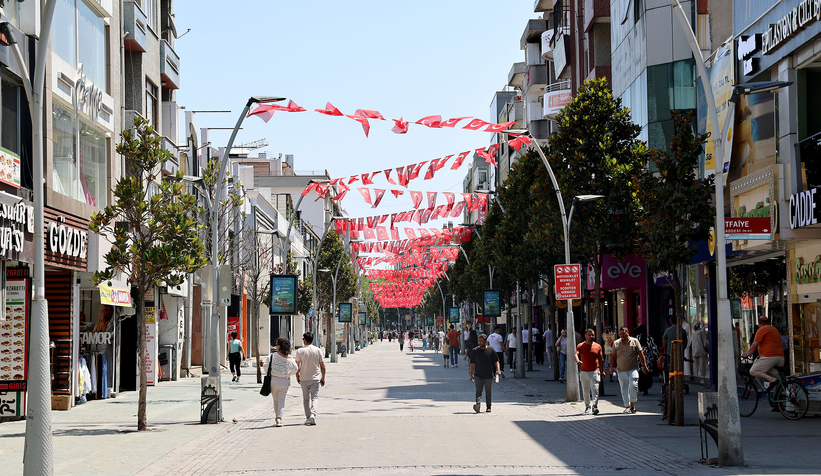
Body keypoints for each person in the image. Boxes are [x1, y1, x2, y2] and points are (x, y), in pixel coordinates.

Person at [610, 326, 650, 414]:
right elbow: (612, 356)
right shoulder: (616, 343)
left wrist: (644, 366)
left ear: (628, 332)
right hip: (621, 370)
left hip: (633, 369)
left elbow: (641, 354)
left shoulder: (635, 341)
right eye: (620, 334)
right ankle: (627, 406)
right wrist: (611, 368)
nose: (622, 335)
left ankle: (632, 405)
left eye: (623, 333)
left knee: (634, 386)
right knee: (624, 389)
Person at [742, 315, 784, 391]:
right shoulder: (774, 329)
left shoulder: (762, 329)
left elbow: (754, 344)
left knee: (753, 371)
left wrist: (747, 354)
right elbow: (781, 344)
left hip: (769, 357)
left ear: (759, 323)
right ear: (767, 322)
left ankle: (771, 379)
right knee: (776, 379)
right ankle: (778, 400)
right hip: (780, 357)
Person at [266, 337, 298, 427]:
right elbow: (295, 369)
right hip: (284, 381)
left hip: (274, 380)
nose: (276, 346)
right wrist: (288, 374)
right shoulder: (290, 357)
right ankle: (279, 418)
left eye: (277, 344)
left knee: (275, 400)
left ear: (280, 346)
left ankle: (277, 417)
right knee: (281, 400)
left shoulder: (272, 356)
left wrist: (271, 372)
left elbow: (266, 366)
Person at [295, 332, 326, 426]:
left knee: (306, 398)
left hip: (304, 378)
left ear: (304, 339)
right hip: (315, 378)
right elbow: (322, 366)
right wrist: (323, 378)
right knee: (315, 397)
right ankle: (313, 414)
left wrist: (297, 375)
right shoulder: (317, 350)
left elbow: (297, 365)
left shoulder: (300, 351)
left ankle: (308, 417)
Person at [470, 334, 501, 413]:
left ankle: (488, 406)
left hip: (488, 375)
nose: (479, 343)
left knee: (488, 392)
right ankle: (478, 405)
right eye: (478, 341)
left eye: (481, 341)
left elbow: (496, 361)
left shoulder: (491, 350)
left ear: (485, 341)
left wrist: (498, 370)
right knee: (478, 391)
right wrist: (471, 374)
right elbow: (472, 363)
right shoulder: (474, 351)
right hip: (478, 375)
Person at [575, 329, 604, 415]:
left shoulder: (598, 346)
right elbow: (576, 354)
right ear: (585, 336)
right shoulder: (580, 346)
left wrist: (603, 371)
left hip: (595, 371)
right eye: (589, 335)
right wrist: (578, 361)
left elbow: (601, 359)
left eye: (593, 335)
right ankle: (587, 406)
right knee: (585, 390)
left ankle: (595, 406)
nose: (591, 337)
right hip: (584, 372)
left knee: (595, 389)